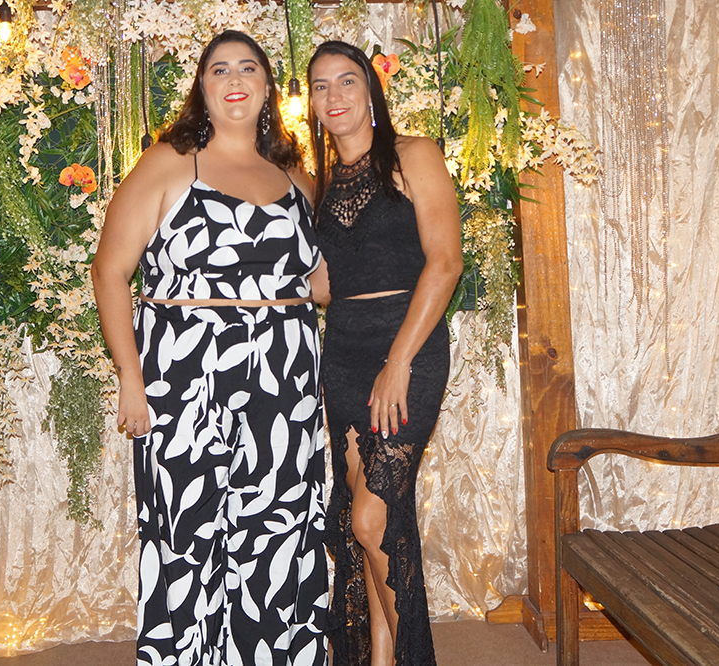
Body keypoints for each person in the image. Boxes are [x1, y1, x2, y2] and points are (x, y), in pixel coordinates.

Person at [91, 30, 330, 666]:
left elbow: (324, 284)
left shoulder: (298, 181)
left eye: (247, 67)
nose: (234, 79)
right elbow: (109, 271)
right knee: (185, 532)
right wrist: (130, 376)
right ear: (202, 87)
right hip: (185, 376)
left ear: (268, 87)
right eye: (219, 69)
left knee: (279, 528)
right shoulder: (170, 162)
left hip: (283, 380)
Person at [307, 41, 462, 666]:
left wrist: (398, 361)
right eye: (321, 86)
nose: (334, 95)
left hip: (408, 346)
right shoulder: (321, 184)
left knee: (372, 520)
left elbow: (445, 262)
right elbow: (324, 285)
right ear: (311, 103)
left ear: (370, 90)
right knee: (365, 517)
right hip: (344, 349)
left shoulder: (413, 155)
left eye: (347, 80)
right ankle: (377, 656)